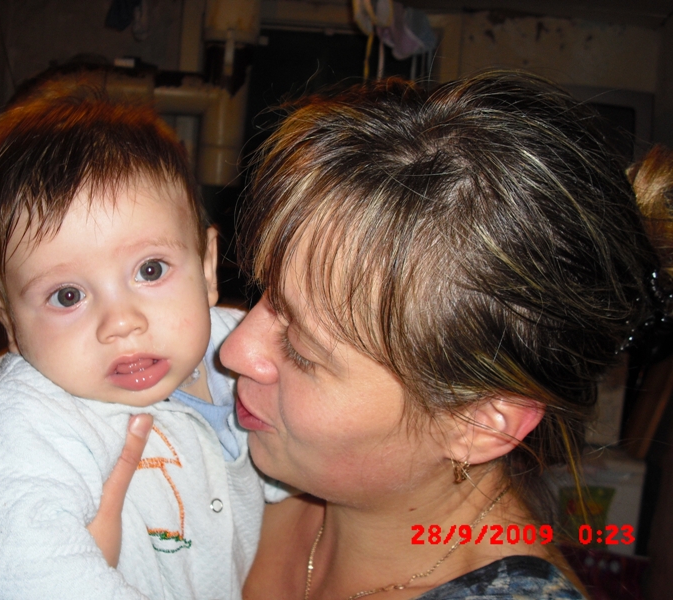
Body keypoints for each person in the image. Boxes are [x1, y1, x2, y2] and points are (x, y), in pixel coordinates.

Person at [99, 71, 673, 598]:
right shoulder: (247, 454)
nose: (234, 349)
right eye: (265, 294)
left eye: (301, 351)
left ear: (479, 422)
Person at [0, 92, 281, 600]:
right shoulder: (23, 414)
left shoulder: (245, 351)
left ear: (208, 266)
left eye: (151, 270)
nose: (121, 322)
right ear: (9, 321)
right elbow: (16, 564)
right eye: (68, 295)